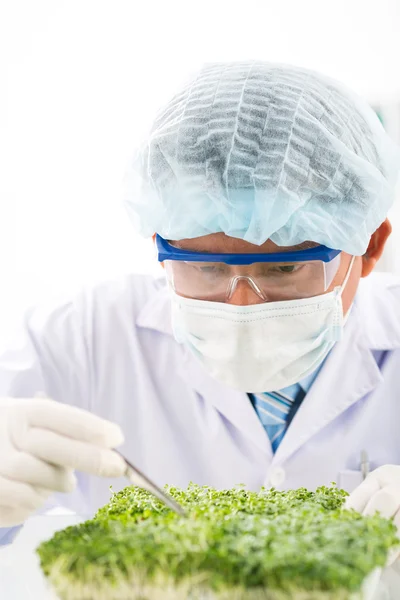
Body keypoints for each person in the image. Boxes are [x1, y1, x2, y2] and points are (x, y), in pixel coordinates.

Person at [1, 61, 400, 549]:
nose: (240, 307)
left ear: (370, 246)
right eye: (205, 267)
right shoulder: (80, 338)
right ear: (159, 240)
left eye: (284, 268)